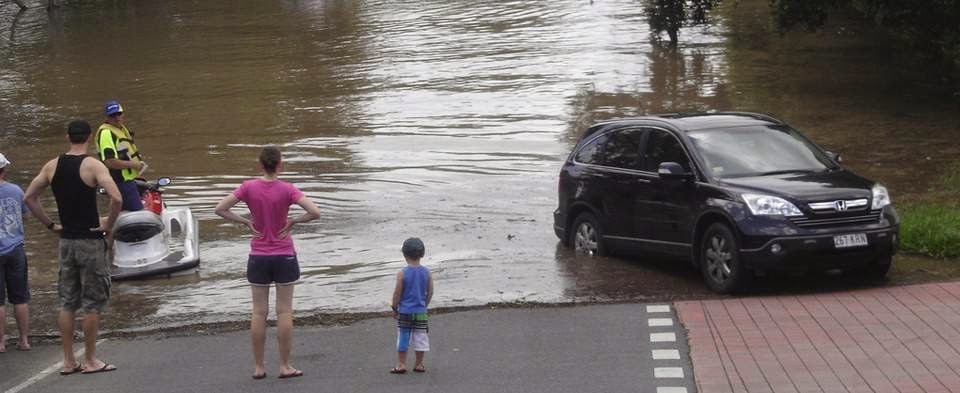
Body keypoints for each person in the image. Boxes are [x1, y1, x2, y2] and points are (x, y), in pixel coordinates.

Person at [23, 120, 122, 375]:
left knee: (67, 302)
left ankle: (68, 361)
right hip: (89, 240)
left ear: (68, 136)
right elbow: (117, 198)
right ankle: (90, 360)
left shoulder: (52, 165)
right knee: (91, 303)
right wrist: (108, 225)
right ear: (89, 137)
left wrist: (50, 225)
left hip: (66, 240)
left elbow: (29, 198)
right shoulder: (93, 164)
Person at [214, 146, 320, 380]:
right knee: (284, 311)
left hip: (259, 255)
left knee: (259, 312)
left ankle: (259, 367)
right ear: (280, 164)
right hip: (284, 254)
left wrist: (244, 221)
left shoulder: (248, 187)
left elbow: (220, 209)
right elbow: (315, 212)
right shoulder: (288, 189)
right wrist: (293, 221)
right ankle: (284, 366)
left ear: (261, 165)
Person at [0, 153, 30, 353]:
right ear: (4, 169)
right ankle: (24, 340)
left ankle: (1, 342)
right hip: (16, 249)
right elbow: (26, 216)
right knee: (20, 298)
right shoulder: (16, 190)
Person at [389, 237, 433, 374]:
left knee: (403, 336)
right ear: (422, 254)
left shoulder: (402, 273)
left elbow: (397, 293)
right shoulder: (427, 272)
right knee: (421, 337)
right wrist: (424, 305)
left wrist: (394, 308)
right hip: (420, 311)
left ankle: (401, 364)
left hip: (405, 311)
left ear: (404, 254)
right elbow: (430, 292)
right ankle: (419, 364)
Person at [96, 100, 146, 211]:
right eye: (112, 115)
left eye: (119, 114)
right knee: (138, 213)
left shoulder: (121, 129)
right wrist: (134, 165)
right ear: (107, 117)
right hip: (120, 182)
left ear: (123, 114)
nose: (117, 117)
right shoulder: (106, 133)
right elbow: (110, 162)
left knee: (124, 212)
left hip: (128, 180)